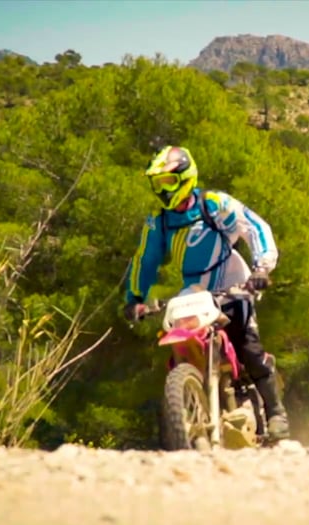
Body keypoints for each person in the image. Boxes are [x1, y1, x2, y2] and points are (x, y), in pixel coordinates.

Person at [122, 145, 289, 440]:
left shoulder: (214, 205)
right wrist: (135, 299)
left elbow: (255, 227)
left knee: (249, 349)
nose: (162, 191)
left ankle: (276, 413)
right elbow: (144, 260)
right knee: (178, 345)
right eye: (157, 183)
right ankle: (189, 404)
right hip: (194, 293)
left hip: (235, 285)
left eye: (168, 182)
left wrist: (262, 268)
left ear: (185, 178)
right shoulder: (158, 222)